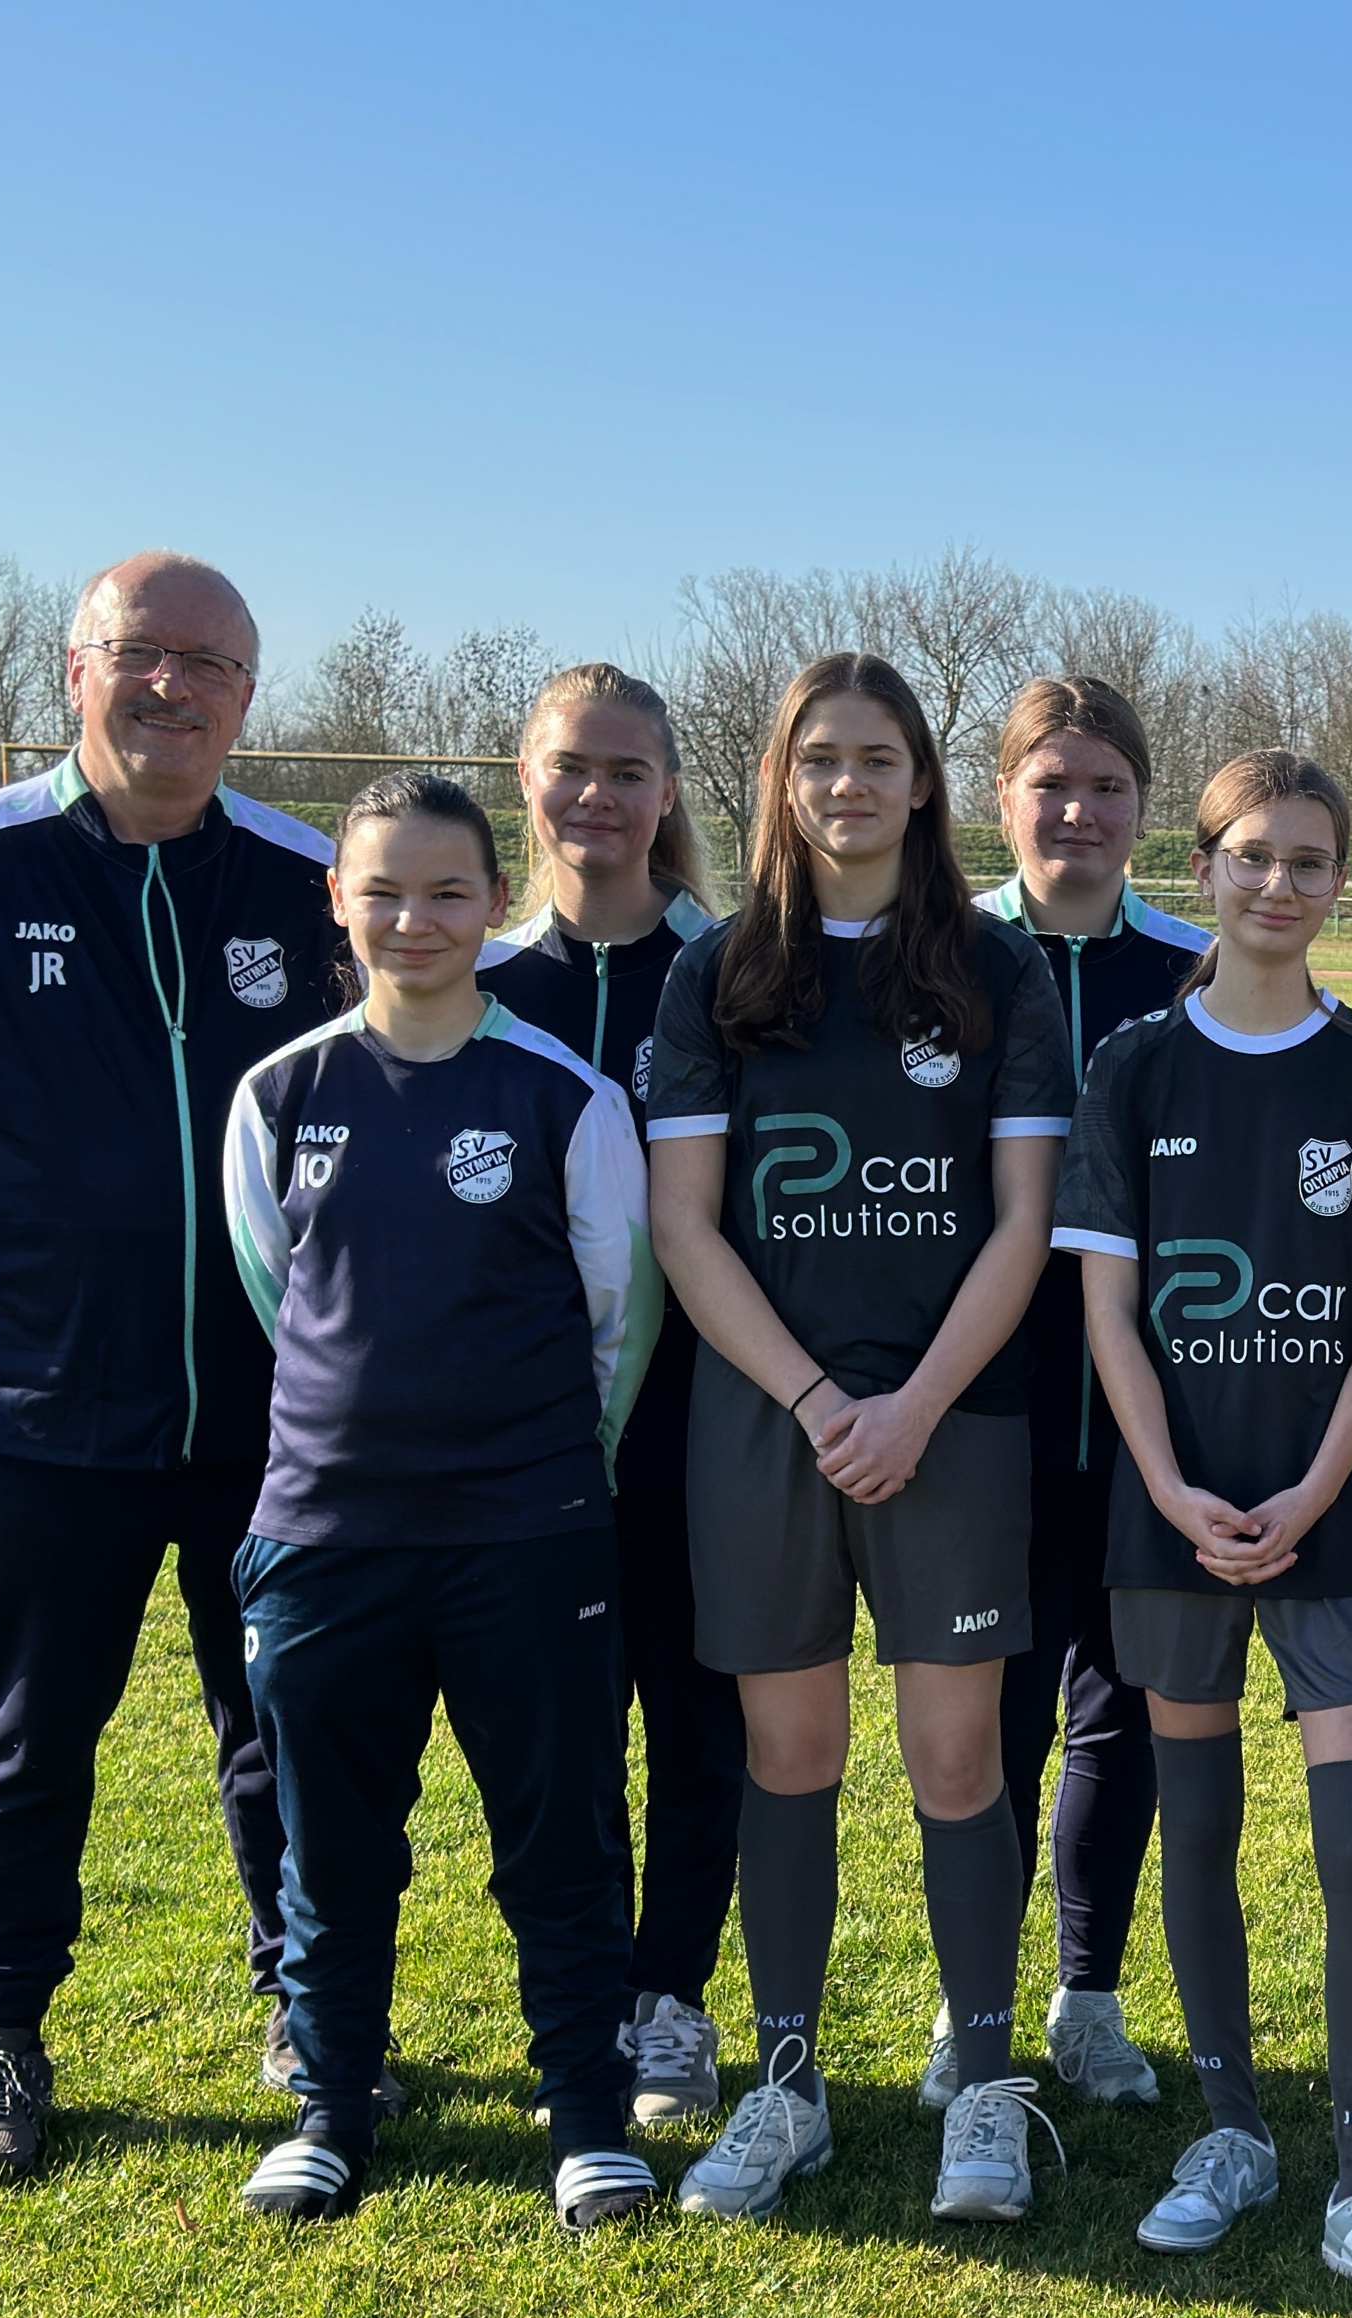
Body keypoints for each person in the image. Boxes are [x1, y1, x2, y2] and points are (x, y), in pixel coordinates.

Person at [0, 550, 356, 2184]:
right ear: (77, 669)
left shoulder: (310, 881)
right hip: (42, 1404)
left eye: (210, 664)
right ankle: (0, 2033)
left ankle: (308, 2007)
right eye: (142, 651)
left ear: (247, 699)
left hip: (275, 1412)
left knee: (286, 1717)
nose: (172, 685)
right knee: (29, 1729)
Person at [643, 654, 1075, 2230]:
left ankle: (986, 2084)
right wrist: (820, 1402)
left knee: (959, 1757)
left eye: (878, 756)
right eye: (819, 756)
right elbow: (688, 1228)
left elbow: (1023, 1221)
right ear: (780, 779)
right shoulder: (719, 971)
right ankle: (790, 2083)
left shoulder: (996, 970)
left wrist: (914, 1404)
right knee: (789, 1756)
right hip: (768, 1424)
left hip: (955, 1420)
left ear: (923, 781)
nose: (849, 783)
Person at [1052, 750, 1352, 2318]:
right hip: (1171, 1515)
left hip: (1333, 1517)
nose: (1277, 885)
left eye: (1308, 861)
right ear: (1204, 864)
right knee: (1200, 1823)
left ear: (1340, 881)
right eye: (1251, 856)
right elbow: (1109, 1305)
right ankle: (1233, 2131)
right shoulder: (1136, 1067)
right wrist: (1167, 1484)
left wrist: (1313, 1486)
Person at [218, 773, 657, 2228]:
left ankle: (586, 2115)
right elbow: (279, 1295)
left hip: (526, 1537)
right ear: (337, 903)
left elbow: (618, 1319)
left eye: (448, 891)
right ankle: (332, 2109)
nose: (415, 919)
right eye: (384, 891)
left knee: (562, 1837)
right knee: (331, 1844)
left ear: (495, 900)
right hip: (326, 1537)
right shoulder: (280, 1094)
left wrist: (537, 1466)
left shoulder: (566, 1097)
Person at [491, 662, 736, 2126]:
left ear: (667, 792)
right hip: (526, 1445)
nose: (597, 795)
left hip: (704, 1433)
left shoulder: (738, 970)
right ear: (527, 780)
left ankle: (672, 2000)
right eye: (571, 767)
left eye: (627, 771)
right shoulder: (479, 980)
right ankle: (585, 2004)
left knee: (701, 1730)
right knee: (562, 1744)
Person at [972, 675, 1210, 2113]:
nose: (1078, 811)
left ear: (1144, 805)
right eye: (1051, 783)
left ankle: (1089, 1997)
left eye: (1107, 786)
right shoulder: (944, 958)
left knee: (1123, 1707)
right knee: (996, 1713)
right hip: (984, 1411)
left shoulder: (1193, 970)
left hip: (1152, 1416)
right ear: (1002, 796)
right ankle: (977, 2004)